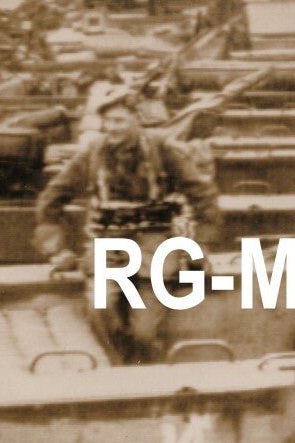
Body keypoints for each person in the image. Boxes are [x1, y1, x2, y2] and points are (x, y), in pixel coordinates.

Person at [33, 92, 221, 363]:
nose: (112, 127)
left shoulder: (162, 149)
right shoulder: (92, 153)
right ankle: (117, 365)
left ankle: (143, 363)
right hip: (109, 244)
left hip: (153, 246)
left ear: (137, 120)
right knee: (101, 306)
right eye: (107, 121)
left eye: (120, 120)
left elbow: (202, 192)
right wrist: (56, 249)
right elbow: (52, 198)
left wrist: (200, 243)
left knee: (144, 332)